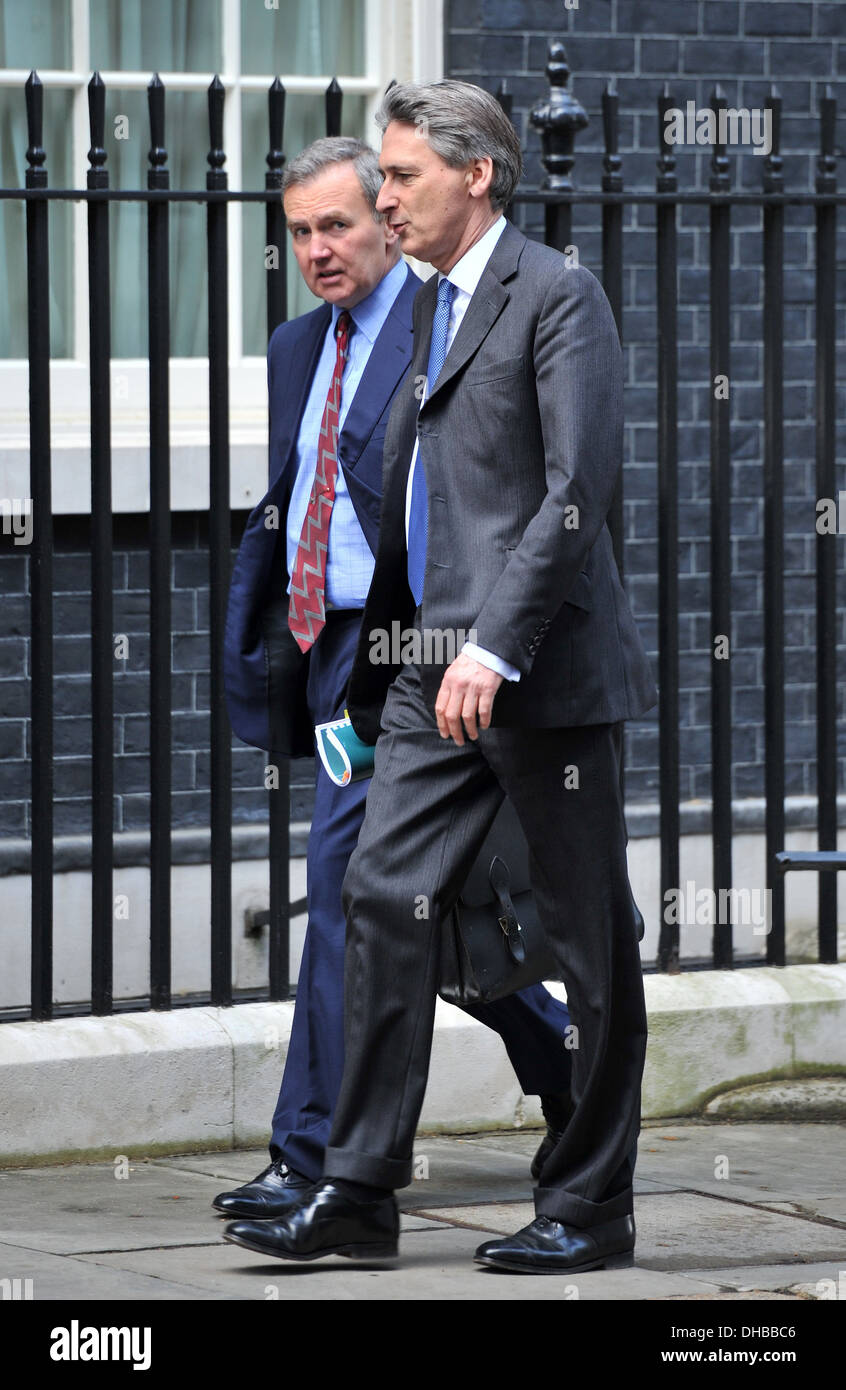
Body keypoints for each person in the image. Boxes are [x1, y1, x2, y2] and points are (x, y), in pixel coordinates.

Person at [221, 85, 658, 1275]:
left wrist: (493, 640)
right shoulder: (413, 315)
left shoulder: (557, 297)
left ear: (477, 175)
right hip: (423, 674)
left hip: (538, 674)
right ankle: (358, 1188)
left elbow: (577, 495)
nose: (385, 196)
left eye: (403, 176)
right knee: (380, 896)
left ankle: (589, 1202)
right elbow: (395, 484)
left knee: (586, 937)